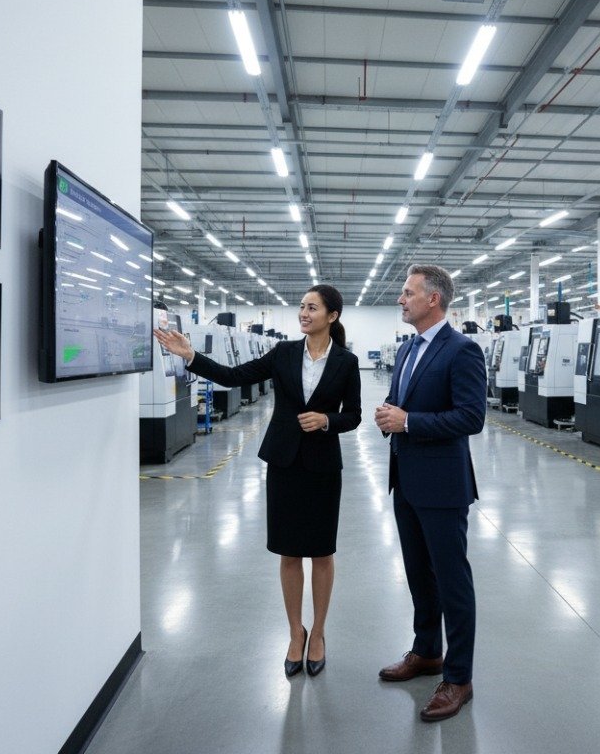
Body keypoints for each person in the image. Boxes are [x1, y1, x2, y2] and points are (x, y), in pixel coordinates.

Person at [153, 285, 361, 678]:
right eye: (301, 306)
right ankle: (294, 634)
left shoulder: (346, 363)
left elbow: (353, 415)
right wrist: (190, 356)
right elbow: (234, 376)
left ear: (331, 316)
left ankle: (318, 633)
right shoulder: (283, 354)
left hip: (321, 466)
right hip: (284, 461)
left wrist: (327, 420)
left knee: (321, 552)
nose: (303, 312)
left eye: (311, 307)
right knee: (288, 551)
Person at [374, 264, 486, 722]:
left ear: (433, 298)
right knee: (420, 574)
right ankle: (427, 652)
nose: (401, 299)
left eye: (407, 292)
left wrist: (410, 422)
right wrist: (391, 417)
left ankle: (458, 677)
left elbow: (470, 418)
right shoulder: (406, 351)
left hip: (442, 485)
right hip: (407, 478)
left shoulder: (463, 350)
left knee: (452, 580)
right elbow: (407, 405)